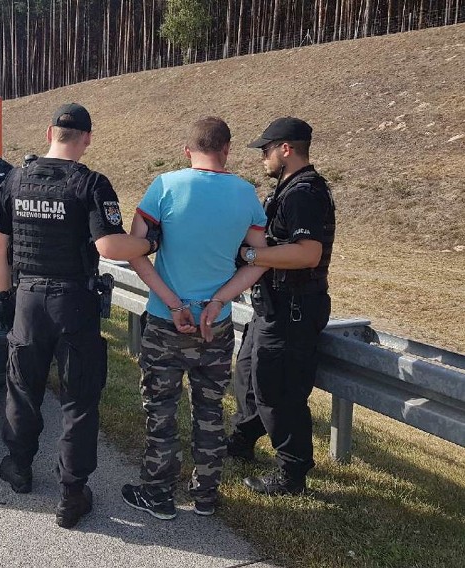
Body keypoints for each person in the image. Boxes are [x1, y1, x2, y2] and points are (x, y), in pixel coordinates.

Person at [0, 103, 160, 529]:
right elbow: (110, 247)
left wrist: (3, 296)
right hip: (74, 303)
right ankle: (71, 493)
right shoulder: (92, 184)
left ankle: (19, 468)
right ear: (86, 137)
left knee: (23, 388)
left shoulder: (14, 178)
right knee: (79, 399)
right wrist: (151, 243)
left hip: (27, 298)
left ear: (50, 132)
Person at [119, 117, 268, 520]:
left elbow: (136, 249)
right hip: (214, 326)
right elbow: (260, 259)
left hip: (166, 322)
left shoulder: (164, 186)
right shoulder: (245, 194)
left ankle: (160, 496)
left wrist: (171, 301)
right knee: (209, 411)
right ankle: (205, 497)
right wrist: (219, 301)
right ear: (227, 149)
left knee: (161, 410)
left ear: (188, 151)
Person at [204, 117, 336, 496]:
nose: (262, 157)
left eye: (266, 150)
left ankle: (291, 474)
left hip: (294, 308)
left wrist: (250, 254)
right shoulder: (288, 189)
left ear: (286, 149)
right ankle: (243, 441)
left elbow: (308, 253)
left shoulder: (304, 194)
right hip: (273, 306)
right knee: (249, 378)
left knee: (279, 392)